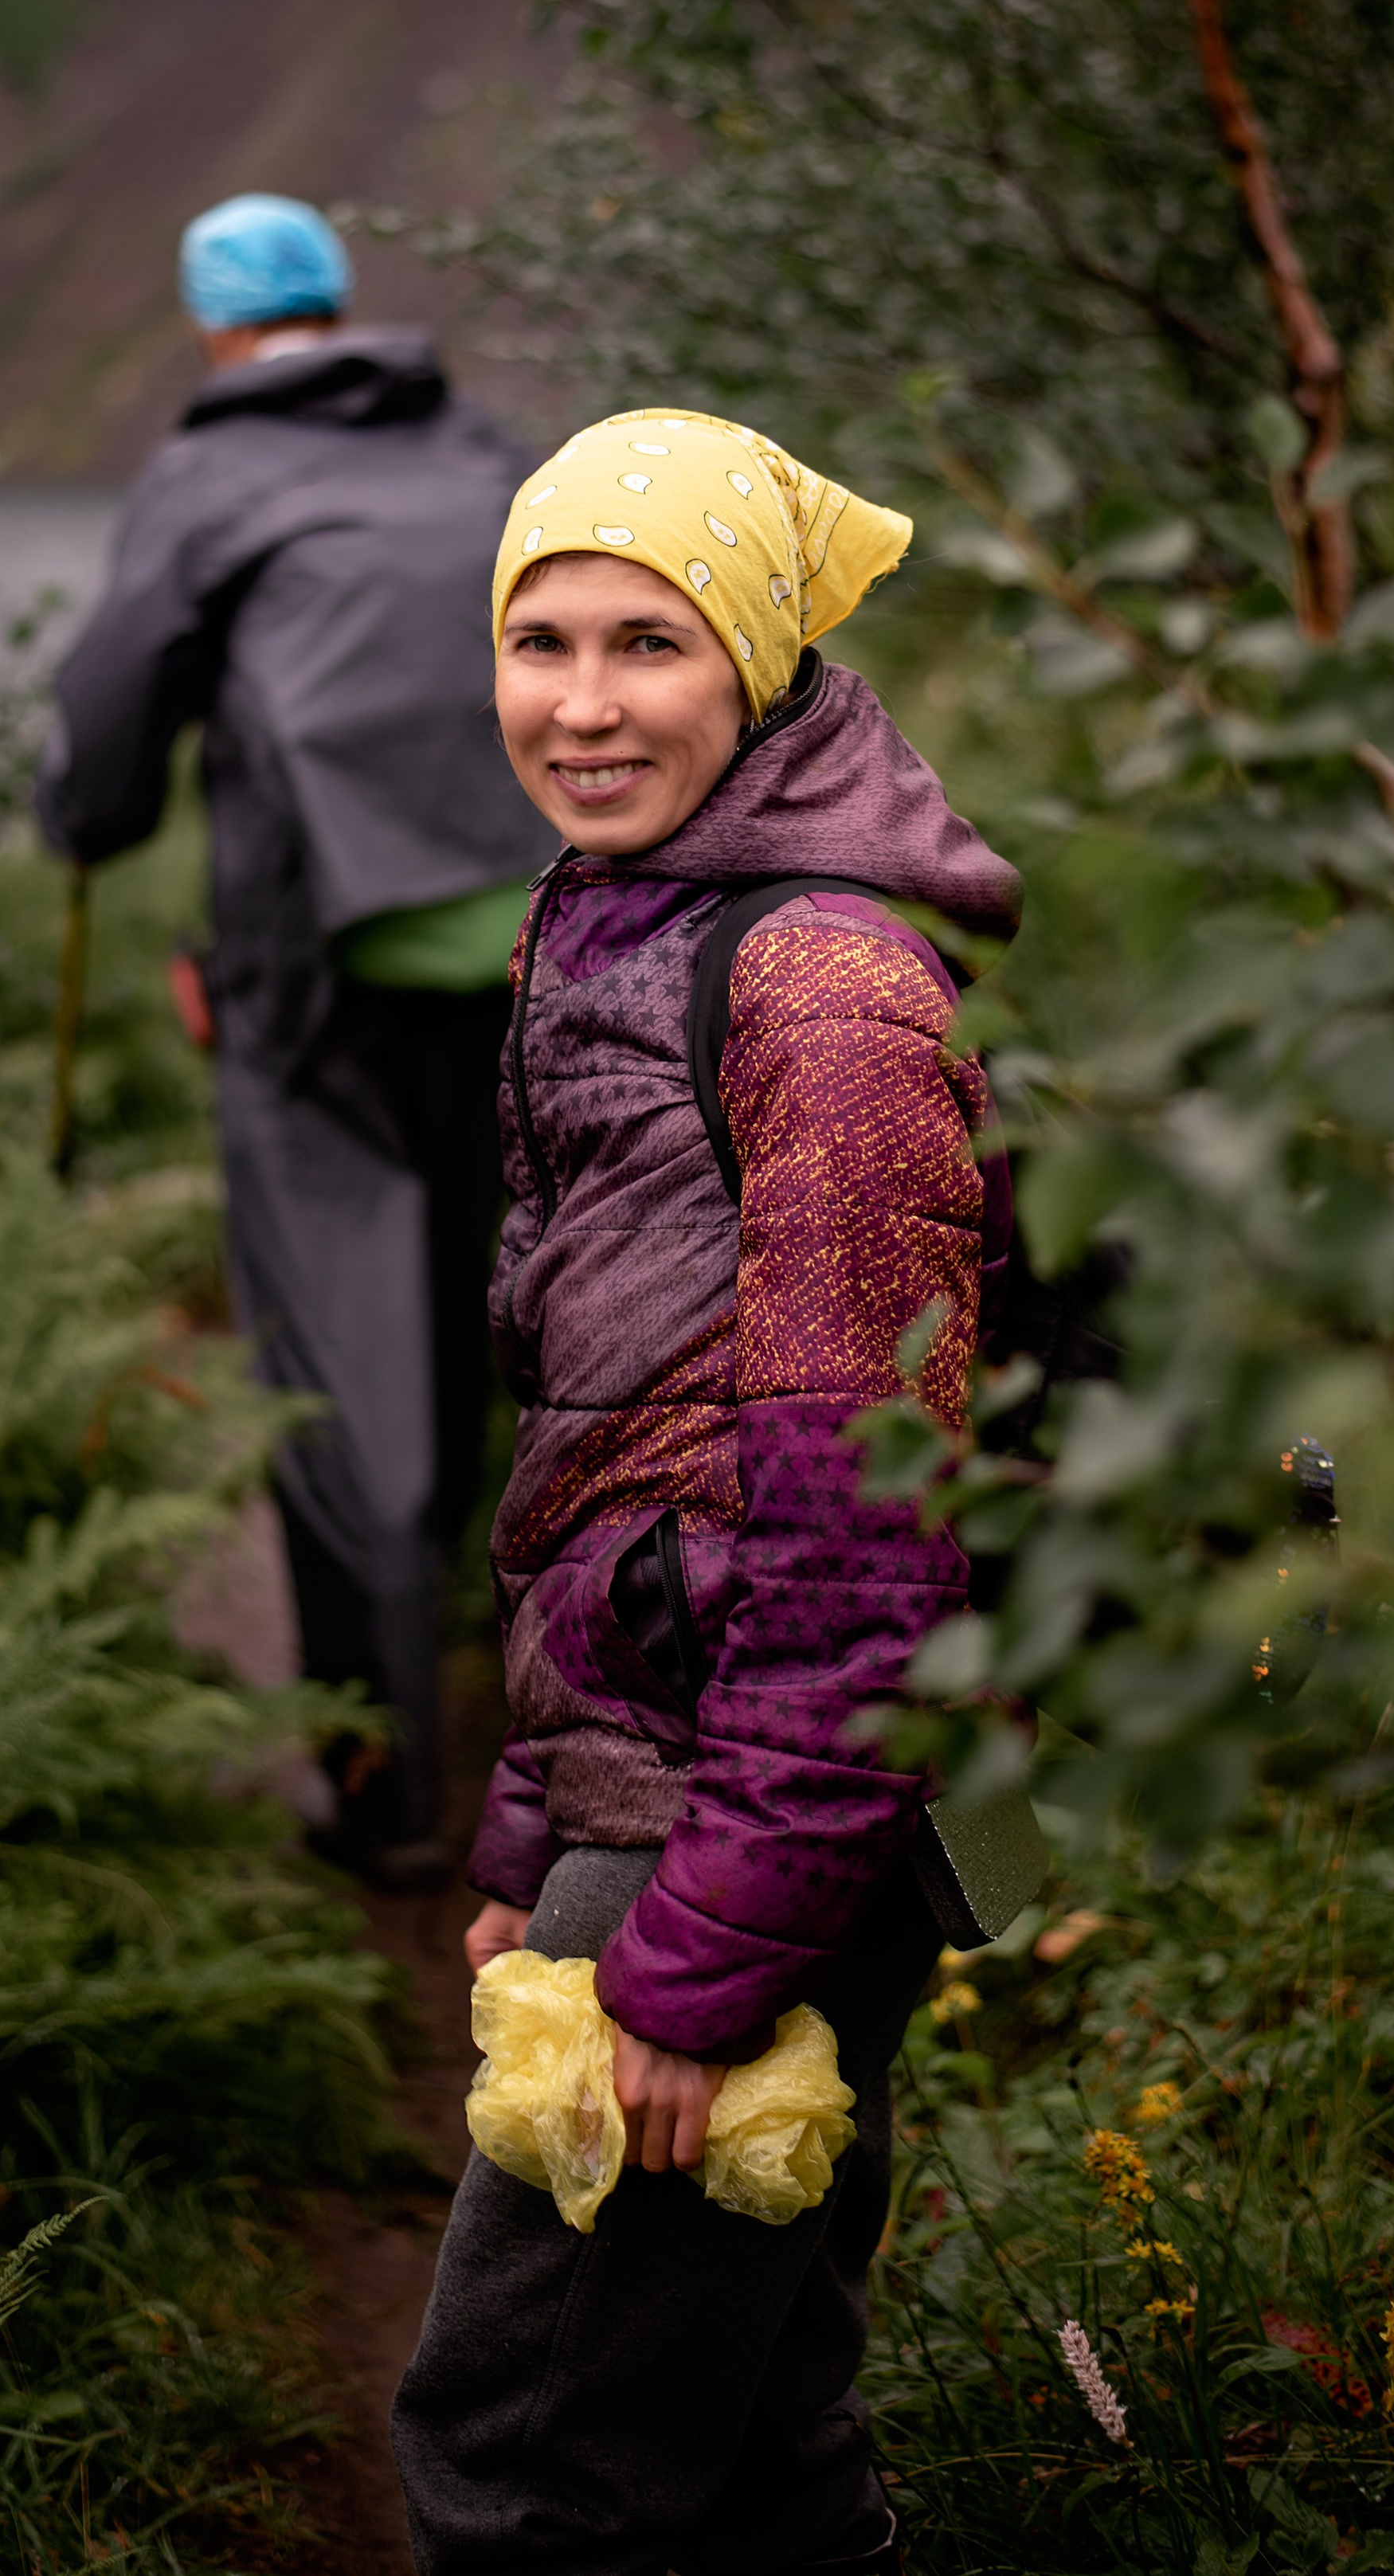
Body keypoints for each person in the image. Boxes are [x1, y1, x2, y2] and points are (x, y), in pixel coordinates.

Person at [390, 409, 1023, 2574]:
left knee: (524, 2461)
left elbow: (864, 1530)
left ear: (753, 662)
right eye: (537, 636)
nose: (578, 702)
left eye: (645, 643)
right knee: (750, 2445)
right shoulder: (619, 928)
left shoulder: (819, 988)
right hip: (666, 1784)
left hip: (746, 1810)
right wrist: (522, 1821)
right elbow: (611, 1442)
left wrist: (687, 1954)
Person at [37, 192, 547, 1885]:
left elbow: (104, 750)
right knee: (491, 1311)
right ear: (341, 303)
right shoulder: (477, 448)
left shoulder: (204, 480)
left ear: (213, 328)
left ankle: (382, 1792)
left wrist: (83, 820)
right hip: (521, 950)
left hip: (308, 976)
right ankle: (527, 1709)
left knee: (336, 1371)